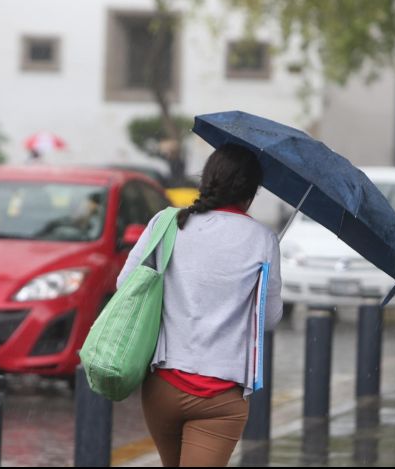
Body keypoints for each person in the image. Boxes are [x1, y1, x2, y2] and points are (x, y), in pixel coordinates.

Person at [117, 144, 283, 467]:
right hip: (221, 398)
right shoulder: (262, 239)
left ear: (207, 180)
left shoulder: (166, 223)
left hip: (162, 386)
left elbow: (126, 285)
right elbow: (270, 319)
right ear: (251, 192)